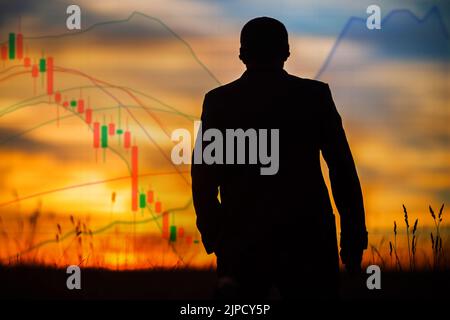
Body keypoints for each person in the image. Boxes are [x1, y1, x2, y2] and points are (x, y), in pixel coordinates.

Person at [191, 17, 368, 299]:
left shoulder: (220, 101)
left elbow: (203, 177)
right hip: (308, 239)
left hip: (241, 241)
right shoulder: (314, 96)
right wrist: (353, 235)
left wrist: (216, 235)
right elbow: (341, 167)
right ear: (286, 52)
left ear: (242, 54)